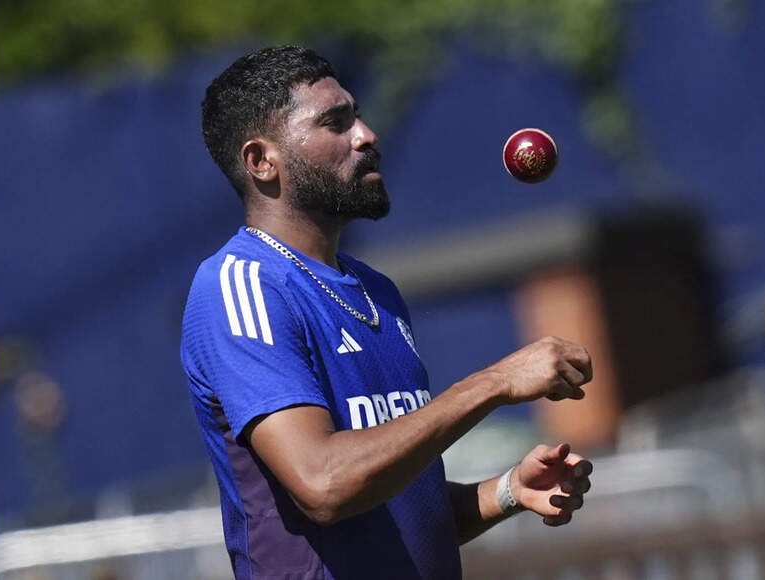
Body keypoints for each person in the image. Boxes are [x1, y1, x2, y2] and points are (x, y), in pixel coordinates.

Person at [181, 45, 594, 580]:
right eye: (336, 122)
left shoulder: (376, 290)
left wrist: (508, 490)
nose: (366, 135)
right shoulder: (242, 286)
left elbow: (399, 506)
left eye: (356, 115)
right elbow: (324, 484)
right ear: (261, 161)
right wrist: (495, 383)